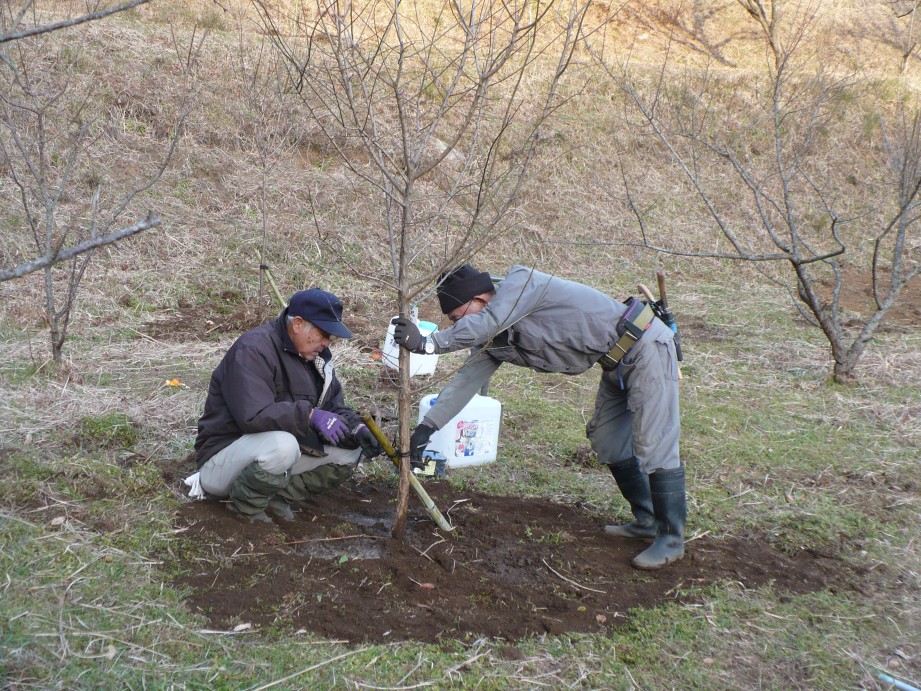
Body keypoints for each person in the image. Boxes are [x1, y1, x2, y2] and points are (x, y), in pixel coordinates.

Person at [391, 264, 685, 570]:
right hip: (615, 364)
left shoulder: (523, 284)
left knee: (654, 440)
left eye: (456, 318)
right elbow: (465, 382)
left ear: (480, 300)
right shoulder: (493, 337)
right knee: (608, 439)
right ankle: (648, 519)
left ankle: (671, 539)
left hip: (645, 346)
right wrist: (426, 429)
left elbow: (489, 320)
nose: (455, 325)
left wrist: (429, 342)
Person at [192, 288, 382, 524]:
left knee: (350, 449)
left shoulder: (315, 359)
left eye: (329, 337)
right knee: (284, 445)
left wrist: (357, 429)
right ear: (298, 324)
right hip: (222, 460)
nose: (326, 343)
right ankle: (245, 509)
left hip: (271, 457)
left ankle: (275, 498)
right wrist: (310, 415)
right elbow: (252, 416)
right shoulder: (253, 350)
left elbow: (333, 406)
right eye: (323, 334)